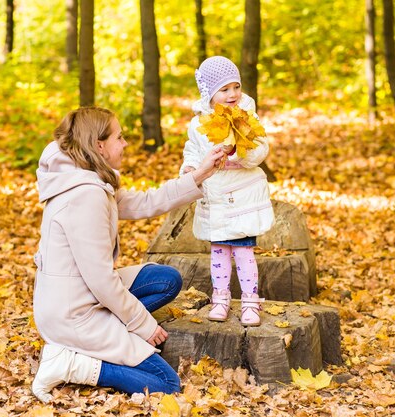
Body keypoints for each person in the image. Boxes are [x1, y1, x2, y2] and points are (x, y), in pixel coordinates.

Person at [31, 106, 225, 402]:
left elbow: (145, 203)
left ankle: (111, 338)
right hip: (73, 314)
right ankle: (69, 362)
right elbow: (102, 280)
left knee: (166, 280)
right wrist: (142, 325)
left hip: (75, 293)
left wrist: (200, 175)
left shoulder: (87, 178)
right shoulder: (85, 195)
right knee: (166, 384)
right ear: (99, 145)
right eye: (119, 137)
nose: (124, 144)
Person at [180, 56, 274, 327]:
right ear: (209, 94)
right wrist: (190, 167)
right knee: (219, 251)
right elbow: (193, 150)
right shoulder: (198, 124)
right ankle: (220, 298)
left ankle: (250, 301)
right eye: (225, 89)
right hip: (217, 197)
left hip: (242, 193)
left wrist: (240, 152)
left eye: (236, 87)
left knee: (244, 251)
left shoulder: (247, 116)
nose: (233, 94)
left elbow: (260, 148)